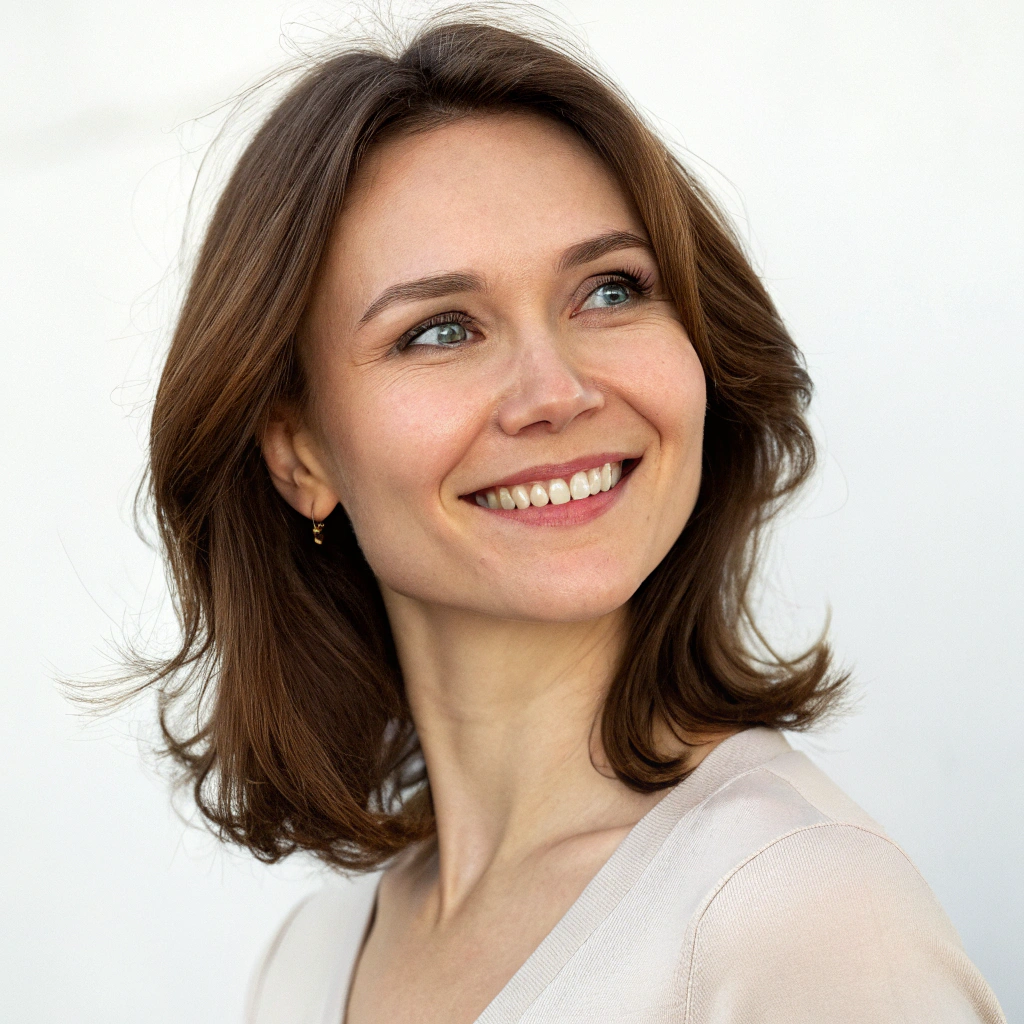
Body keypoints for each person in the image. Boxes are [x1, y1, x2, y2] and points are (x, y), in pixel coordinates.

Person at [134, 13, 1006, 1024]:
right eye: (441, 330)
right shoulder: (309, 963)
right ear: (299, 453)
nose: (555, 391)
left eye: (609, 290)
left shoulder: (794, 916)